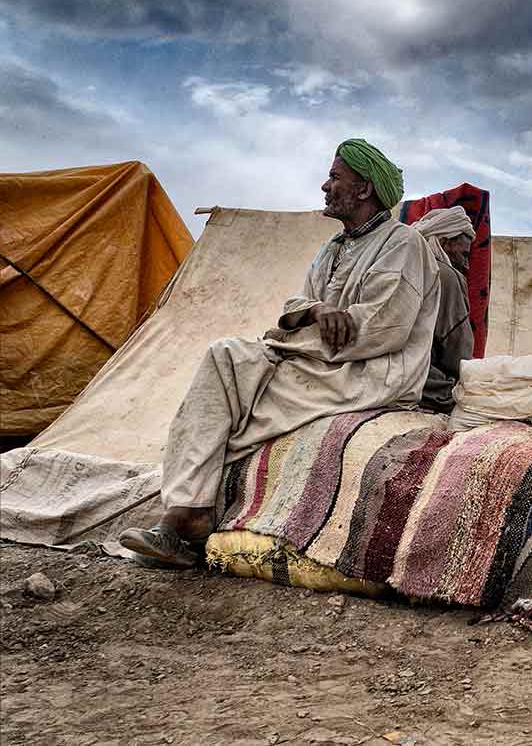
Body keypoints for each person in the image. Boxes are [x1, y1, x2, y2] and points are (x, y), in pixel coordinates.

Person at [119, 139, 441, 567]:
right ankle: (190, 510)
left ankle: (191, 517)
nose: (325, 186)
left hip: (370, 371)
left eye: (335, 177)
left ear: (363, 189)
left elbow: (380, 328)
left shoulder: (403, 243)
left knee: (242, 404)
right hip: (320, 359)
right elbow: (296, 304)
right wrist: (317, 309)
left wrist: (294, 336)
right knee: (225, 356)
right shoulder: (332, 248)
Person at [411, 206, 475, 413]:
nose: (466, 264)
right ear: (445, 243)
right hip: (421, 382)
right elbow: (458, 356)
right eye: (464, 254)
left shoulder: (396, 264)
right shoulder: (446, 275)